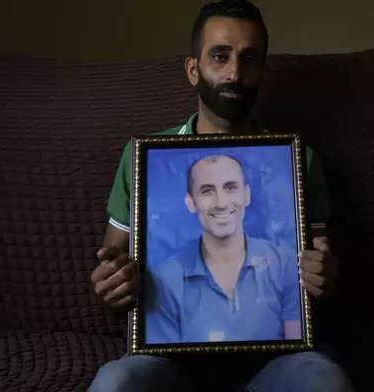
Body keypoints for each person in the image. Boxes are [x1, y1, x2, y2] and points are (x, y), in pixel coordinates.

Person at [89, 1, 354, 391]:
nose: (234, 73)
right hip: (169, 364)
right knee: (117, 382)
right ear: (193, 69)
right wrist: (113, 286)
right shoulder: (144, 157)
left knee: (324, 379)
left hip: (274, 363)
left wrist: (325, 279)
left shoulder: (299, 160)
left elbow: (316, 286)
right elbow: (115, 270)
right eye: (220, 56)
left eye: (249, 59)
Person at [146, 154, 302, 344]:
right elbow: (164, 364)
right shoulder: (165, 279)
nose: (221, 203)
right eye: (207, 191)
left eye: (230, 188)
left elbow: (298, 356)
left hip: (276, 371)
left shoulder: (285, 263)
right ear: (190, 202)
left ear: (247, 196)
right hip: (190, 372)